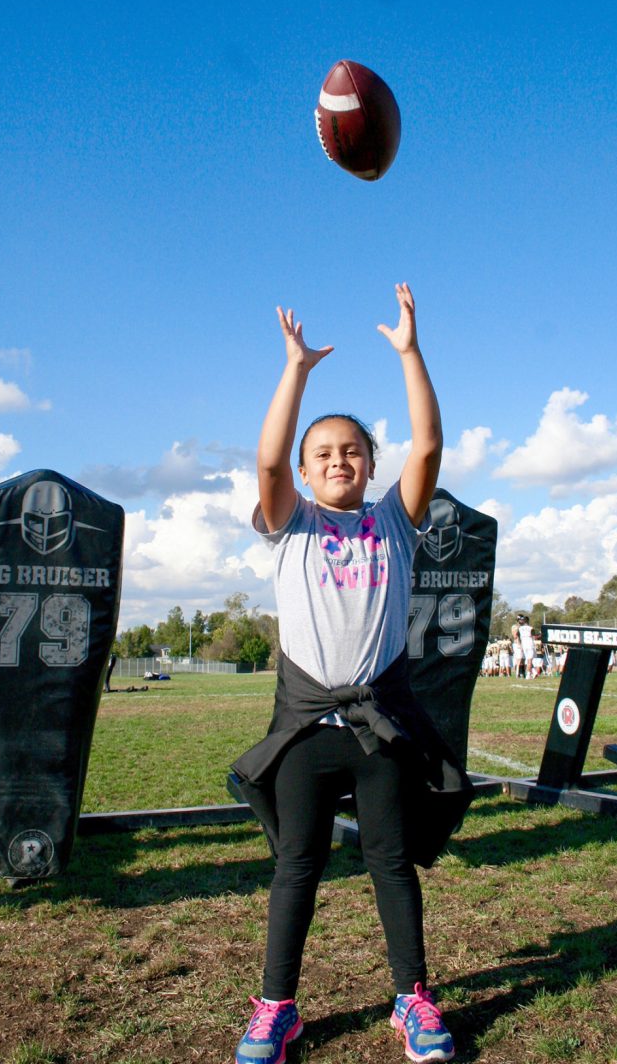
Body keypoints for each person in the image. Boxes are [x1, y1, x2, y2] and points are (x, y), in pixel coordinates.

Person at [232, 284, 470, 1064]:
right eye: (323, 454)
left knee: (390, 863)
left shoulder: (394, 523)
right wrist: (295, 370)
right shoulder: (289, 522)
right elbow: (267, 457)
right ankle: (277, 1007)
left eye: (353, 451)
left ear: (370, 465)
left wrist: (409, 352)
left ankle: (412, 997)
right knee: (297, 866)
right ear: (306, 472)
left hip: (378, 728)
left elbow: (429, 447)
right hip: (307, 729)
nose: (340, 460)